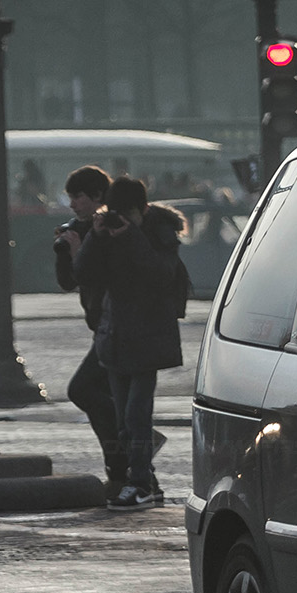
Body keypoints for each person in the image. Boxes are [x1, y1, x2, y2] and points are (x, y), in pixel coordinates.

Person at [74, 175, 186, 511]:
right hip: (115, 334)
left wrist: (133, 237)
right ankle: (146, 481)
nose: (121, 219)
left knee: (137, 414)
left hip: (149, 335)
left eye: (128, 214)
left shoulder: (159, 232)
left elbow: (162, 274)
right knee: (124, 420)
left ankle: (139, 484)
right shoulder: (106, 231)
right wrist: (95, 235)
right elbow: (82, 272)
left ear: (143, 209)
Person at [53, 165, 129, 498]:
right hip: (102, 327)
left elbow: (95, 275)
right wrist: (64, 250)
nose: (73, 205)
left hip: (118, 328)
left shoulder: (107, 229)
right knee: (109, 398)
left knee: (82, 390)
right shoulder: (82, 229)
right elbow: (68, 282)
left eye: (78, 197)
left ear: (97, 196)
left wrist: (76, 250)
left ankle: (130, 451)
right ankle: (124, 466)